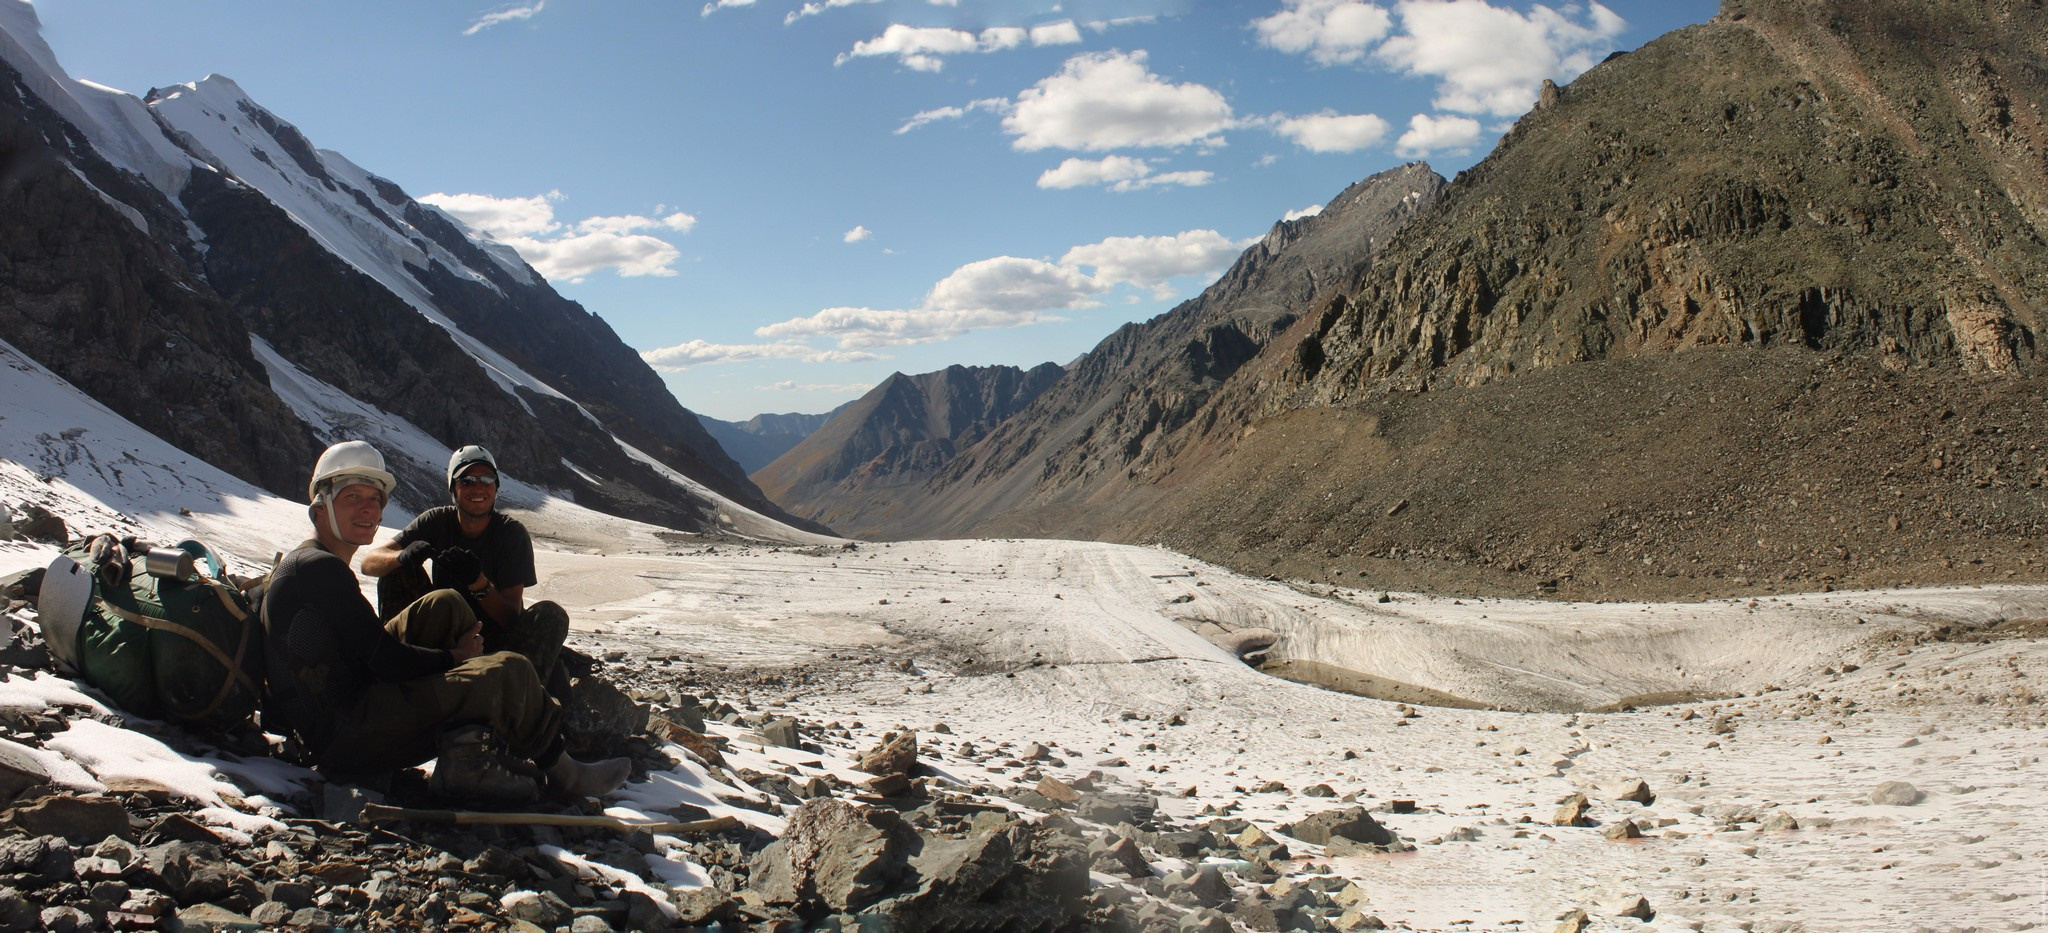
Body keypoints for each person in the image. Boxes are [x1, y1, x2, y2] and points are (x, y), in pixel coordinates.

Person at [261, 440, 628, 803]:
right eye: (351, 497)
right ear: (320, 506)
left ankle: (484, 715)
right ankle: (561, 770)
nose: (367, 509)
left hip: (338, 713)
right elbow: (386, 659)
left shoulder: (309, 561)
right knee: (509, 670)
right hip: (349, 736)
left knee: (445, 602)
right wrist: (455, 659)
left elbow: (513, 616)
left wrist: (477, 587)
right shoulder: (323, 571)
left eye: (374, 499)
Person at [362, 445, 571, 703]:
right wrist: (402, 557)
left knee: (550, 615)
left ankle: (518, 705)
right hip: (443, 637)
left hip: (496, 645)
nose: (478, 488)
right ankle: (396, 671)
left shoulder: (510, 534)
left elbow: (511, 617)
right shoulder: (435, 522)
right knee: (396, 572)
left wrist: (478, 583)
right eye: (467, 480)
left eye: (487, 479)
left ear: (496, 487)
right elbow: (370, 562)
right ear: (453, 489)